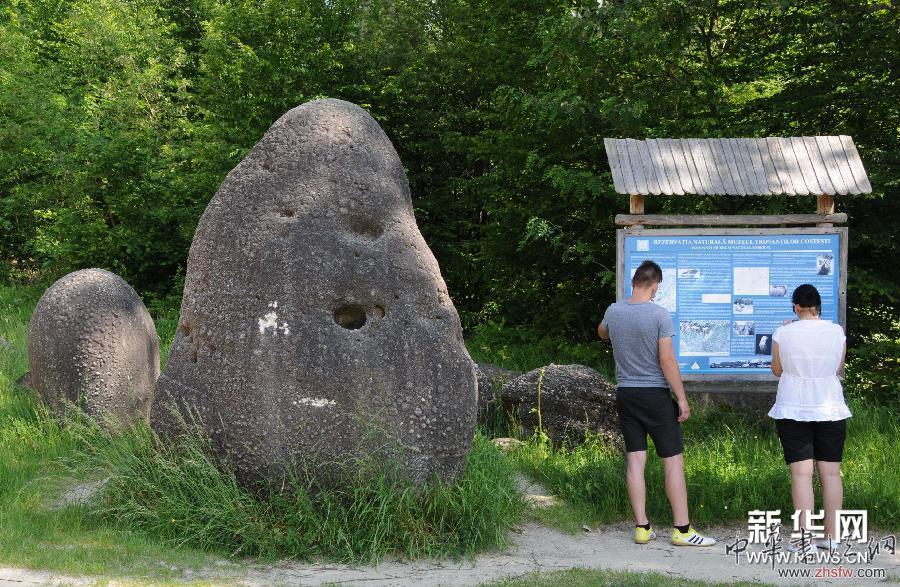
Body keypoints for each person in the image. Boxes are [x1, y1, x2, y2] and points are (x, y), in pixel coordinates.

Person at [598, 260, 716, 547]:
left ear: (634, 282)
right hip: (655, 396)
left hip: (626, 393)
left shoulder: (614, 311)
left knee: (635, 460)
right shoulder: (660, 315)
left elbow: (602, 332)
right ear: (655, 285)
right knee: (673, 462)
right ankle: (682, 530)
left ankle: (642, 528)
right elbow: (666, 360)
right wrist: (683, 398)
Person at [769, 284, 850, 553]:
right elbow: (838, 368)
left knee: (802, 474)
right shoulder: (836, 331)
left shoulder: (784, 331)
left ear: (795, 306)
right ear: (818, 307)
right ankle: (831, 537)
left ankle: (804, 539)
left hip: (793, 406)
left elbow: (777, 370)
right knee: (830, 473)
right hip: (831, 407)